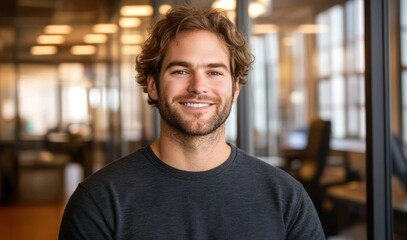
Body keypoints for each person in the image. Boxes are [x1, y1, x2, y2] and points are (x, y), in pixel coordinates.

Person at [59, 5, 325, 240]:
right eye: (181, 71)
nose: (198, 87)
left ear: (235, 88)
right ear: (153, 86)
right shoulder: (100, 200)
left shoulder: (286, 197)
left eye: (214, 72)